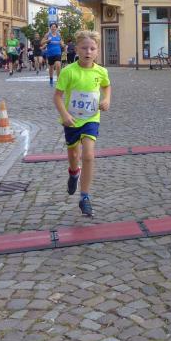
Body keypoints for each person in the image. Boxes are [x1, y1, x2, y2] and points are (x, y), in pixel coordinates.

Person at [53, 30, 111, 217]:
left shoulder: (101, 71)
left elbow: (106, 86)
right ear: (76, 49)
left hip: (91, 118)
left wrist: (107, 99)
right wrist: (64, 114)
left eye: (92, 48)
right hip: (71, 120)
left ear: (97, 51)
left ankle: (84, 196)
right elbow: (57, 96)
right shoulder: (68, 71)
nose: (88, 52)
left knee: (88, 155)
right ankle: (73, 173)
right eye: (84, 48)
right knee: (73, 154)